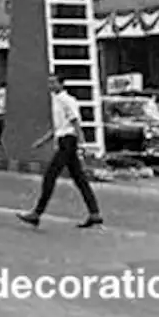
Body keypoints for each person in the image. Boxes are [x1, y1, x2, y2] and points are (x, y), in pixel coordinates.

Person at [17, 76, 103, 229]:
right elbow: (58, 128)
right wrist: (42, 141)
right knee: (80, 179)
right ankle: (95, 214)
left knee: (50, 176)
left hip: (68, 142)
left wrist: (82, 143)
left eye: (53, 82)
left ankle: (37, 213)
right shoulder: (56, 101)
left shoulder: (66, 100)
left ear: (61, 84)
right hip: (65, 140)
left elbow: (75, 122)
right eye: (49, 82)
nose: (50, 85)